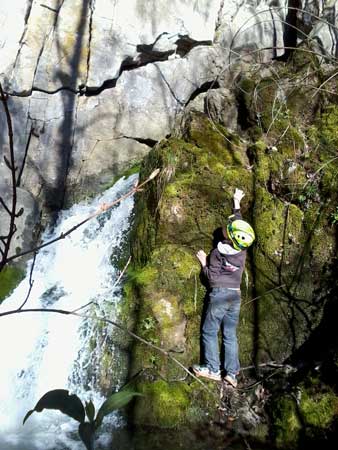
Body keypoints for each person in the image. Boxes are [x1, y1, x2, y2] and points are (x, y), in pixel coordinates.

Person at [192, 188, 255, 387]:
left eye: (228, 232)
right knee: (230, 334)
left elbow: (212, 278)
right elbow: (239, 223)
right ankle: (232, 374)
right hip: (235, 296)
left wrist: (203, 262)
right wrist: (236, 201)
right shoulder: (243, 249)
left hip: (219, 294)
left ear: (230, 238)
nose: (226, 230)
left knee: (209, 331)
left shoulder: (218, 253)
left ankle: (212, 369)